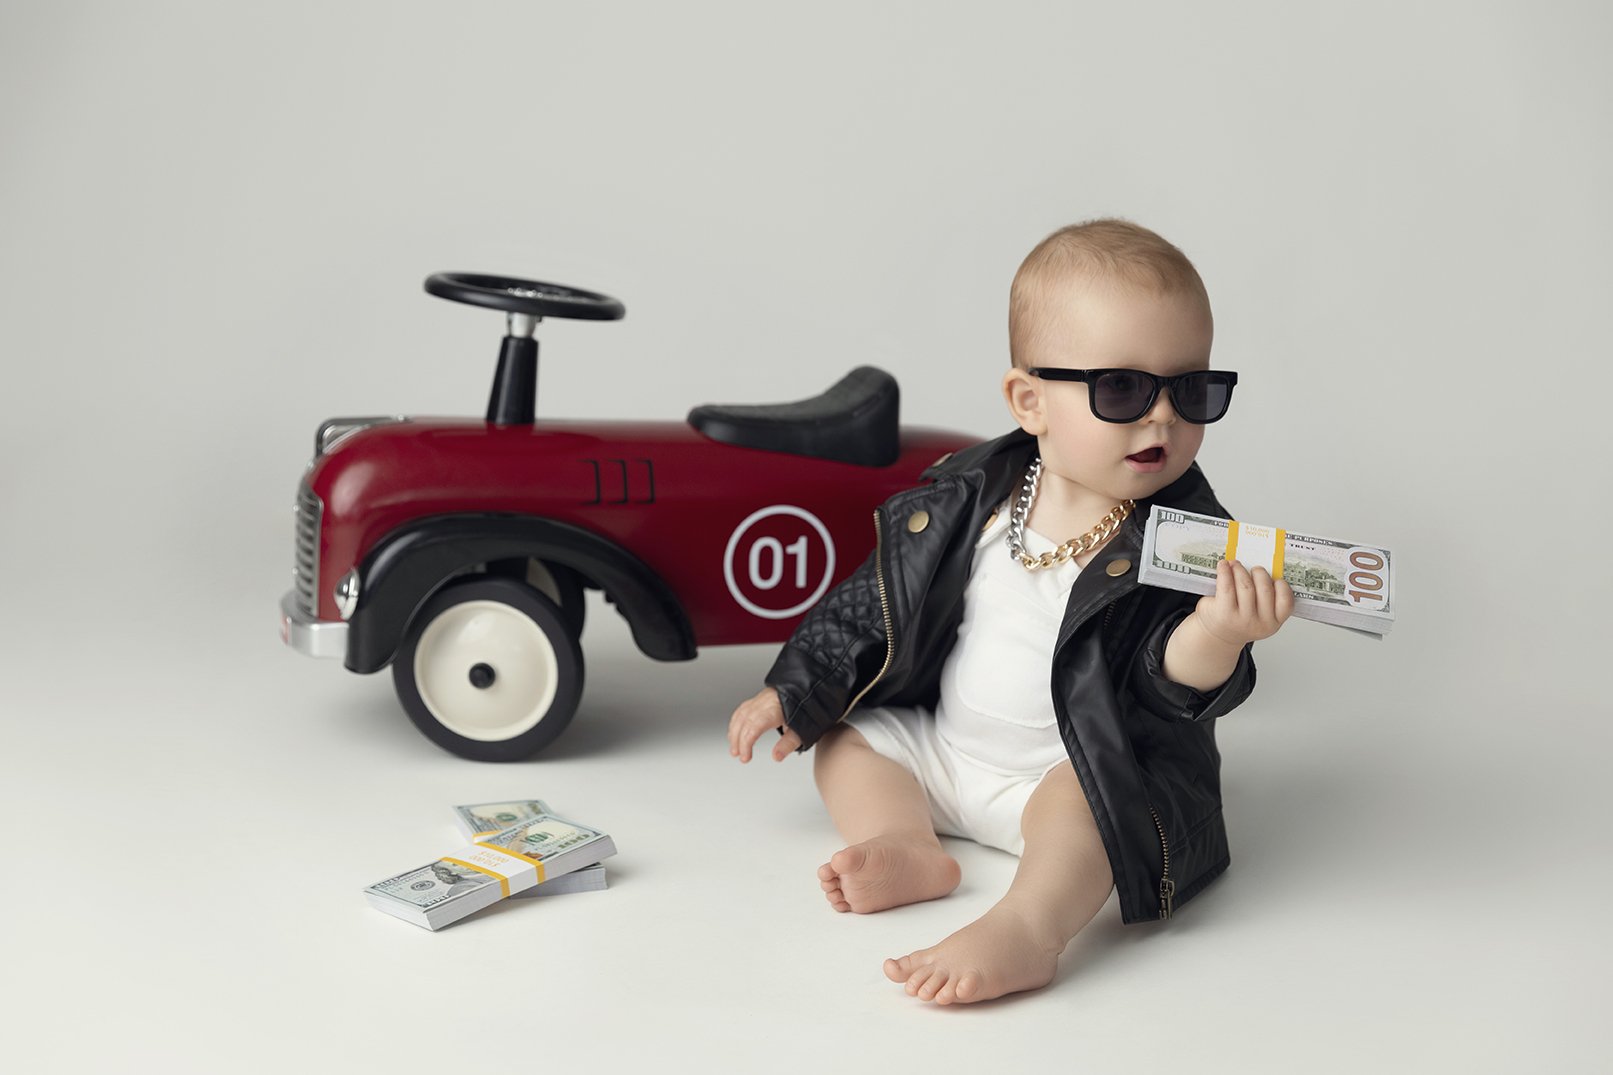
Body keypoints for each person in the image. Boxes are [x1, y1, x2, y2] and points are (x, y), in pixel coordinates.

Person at [727, 218, 1294, 1005]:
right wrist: (795, 687)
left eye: (1190, 389)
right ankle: (903, 841)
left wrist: (1220, 632)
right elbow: (872, 598)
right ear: (1029, 400)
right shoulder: (969, 497)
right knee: (852, 742)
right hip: (947, 750)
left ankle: (1029, 925)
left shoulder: (1183, 538)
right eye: (1122, 388)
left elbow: (1164, 687)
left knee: (1088, 811)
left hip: (1065, 771)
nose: (1161, 417)